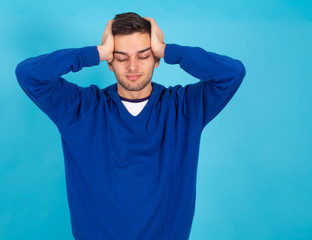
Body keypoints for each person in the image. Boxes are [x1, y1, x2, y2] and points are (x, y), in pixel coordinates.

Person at [16, 12, 245, 240]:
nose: (132, 66)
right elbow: (29, 74)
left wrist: (169, 50)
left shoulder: (184, 108)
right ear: (109, 62)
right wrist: (95, 53)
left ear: (156, 59)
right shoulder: (81, 109)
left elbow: (231, 73)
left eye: (143, 55)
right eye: (121, 57)